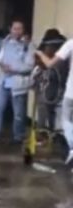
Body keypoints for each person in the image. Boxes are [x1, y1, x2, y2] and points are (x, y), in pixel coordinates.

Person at [0, 20, 35, 149]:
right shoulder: (3, 43)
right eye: (15, 28)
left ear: (24, 30)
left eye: (20, 29)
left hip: (17, 80)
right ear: (10, 29)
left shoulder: (28, 46)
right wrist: (2, 67)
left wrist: (14, 69)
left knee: (18, 111)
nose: (17, 31)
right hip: (2, 79)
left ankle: (18, 136)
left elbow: (29, 65)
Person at [36, 30, 73, 165]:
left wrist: (40, 53)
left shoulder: (70, 44)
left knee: (66, 120)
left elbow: (49, 64)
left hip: (71, 93)